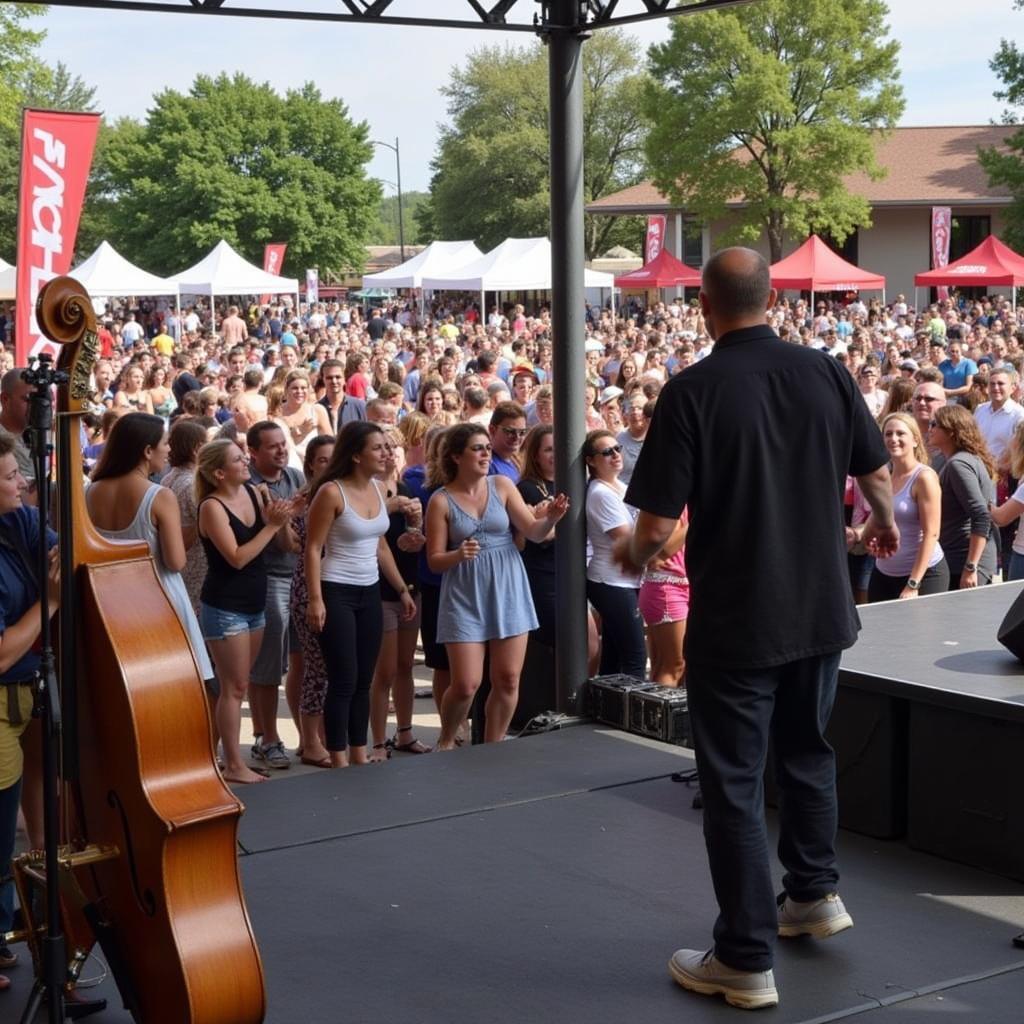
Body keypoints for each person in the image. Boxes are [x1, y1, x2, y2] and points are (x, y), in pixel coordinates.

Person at [614, 248, 895, 1011]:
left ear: (705, 305)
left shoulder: (691, 391)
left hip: (740, 621)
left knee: (734, 786)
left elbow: (657, 524)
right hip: (821, 610)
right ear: (771, 297)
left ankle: (742, 957)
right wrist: (884, 521)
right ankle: (812, 894)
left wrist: (631, 550)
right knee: (807, 752)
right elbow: (874, 471)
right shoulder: (827, 371)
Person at [425, 423, 568, 750]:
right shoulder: (441, 500)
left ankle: (493, 747)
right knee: (465, 683)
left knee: (507, 678)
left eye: (487, 448)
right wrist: (457, 554)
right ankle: (447, 740)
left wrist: (552, 518)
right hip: (464, 591)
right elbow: (434, 559)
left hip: (507, 587)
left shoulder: (502, 485)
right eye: (477, 448)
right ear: (456, 456)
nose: (485, 454)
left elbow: (532, 531)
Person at [305, 423, 416, 768]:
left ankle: (358, 751)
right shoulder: (331, 492)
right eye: (378, 448)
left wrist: (401, 589)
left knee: (364, 679)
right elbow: (313, 548)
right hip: (336, 589)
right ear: (355, 455)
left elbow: (380, 546)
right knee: (344, 678)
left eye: (387, 447)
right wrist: (315, 599)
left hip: (371, 591)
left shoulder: (380, 489)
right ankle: (338, 757)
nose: (387, 453)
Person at [86, 414, 214, 686]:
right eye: (165, 444)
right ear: (147, 451)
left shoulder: (90, 492)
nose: (169, 450)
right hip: (158, 599)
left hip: (109, 601)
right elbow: (176, 561)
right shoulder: (159, 496)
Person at [196, 438, 295, 784]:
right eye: (238, 460)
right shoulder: (211, 506)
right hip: (226, 606)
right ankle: (233, 763)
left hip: (255, 601)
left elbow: (277, 536)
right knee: (234, 686)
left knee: (241, 683)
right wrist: (271, 526)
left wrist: (281, 517)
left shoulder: (254, 492)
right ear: (220, 473)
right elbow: (236, 557)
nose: (245, 464)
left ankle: (220, 757)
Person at [0, 434, 58, 989]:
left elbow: (68, 553)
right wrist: (52, 603)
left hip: (26, 691)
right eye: (8, 476)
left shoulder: (16, 523)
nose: (21, 481)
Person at [245, 421, 305, 769]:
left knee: (301, 659)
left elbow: (299, 534)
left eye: (284, 444)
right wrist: (284, 522)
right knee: (267, 667)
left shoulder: (295, 478)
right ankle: (267, 738)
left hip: (298, 575)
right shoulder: (251, 486)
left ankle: (307, 735)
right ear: (253, 452)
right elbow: (282, 537)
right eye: (272, 446)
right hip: (268, 579)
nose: (282, 450)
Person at [368, 429, 430, 760]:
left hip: (410, 585)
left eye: (394, 447)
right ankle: (377, 741)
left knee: (406, 666)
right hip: (380, 590)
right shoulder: (367, 493)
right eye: (382, 448)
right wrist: (387, 508)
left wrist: (417, 529)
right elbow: (377, 544)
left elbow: (411, 540)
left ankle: (404, 732)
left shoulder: (405, 488)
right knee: (385, 670)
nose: (390, 453)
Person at [289, 435, 336, 767]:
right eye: (322, 460)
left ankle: (326, 736)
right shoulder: (304, 500)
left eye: (334, 458)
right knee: (316, 668)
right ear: (309, 465)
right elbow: (296, 545)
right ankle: (310, 741)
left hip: (342, 587)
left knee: (337, 669)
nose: (329, 465)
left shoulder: (347, 491)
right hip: (310, 589)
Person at [865, 413, 948, 600]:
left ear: (915, 441)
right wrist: (858, 535)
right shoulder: (885, 476)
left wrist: (913, 583)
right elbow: (877, 519)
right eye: (888, 434)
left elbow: (932, 533)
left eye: (900, 433)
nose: (893, 439)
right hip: (884, 572)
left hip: (924, 576)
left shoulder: (924, 477)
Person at [584, 429, 646, 677]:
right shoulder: (599, 493)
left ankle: (608, 713)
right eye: (606, 452)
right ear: (591, 460)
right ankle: (633, 716)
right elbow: (627, 540)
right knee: (635, 657)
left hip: (626, 581)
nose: (615, 455)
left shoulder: (618, 485)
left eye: (617, 449)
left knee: (615, 655)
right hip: (611, 582)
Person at [928, 405, 997, 589]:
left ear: (951, 431)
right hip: (958, 559)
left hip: (964, 562)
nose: (930, 429)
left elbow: (981, 515)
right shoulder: (954, 460)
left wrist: (971, 566)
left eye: (935, 424)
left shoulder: (959, 464)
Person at [638, 511, 689, 686]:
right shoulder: (676, 503)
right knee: (674, 666)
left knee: (664, 665)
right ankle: (661, 714)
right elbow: (665, 549)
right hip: (667, 587)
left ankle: (655, 711)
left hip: (673, 585)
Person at [274, 369, 332, 472]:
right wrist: (296, 435)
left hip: (314, 469)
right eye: (295, 388)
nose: (299, 392)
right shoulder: (276, 413)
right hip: (287, 470)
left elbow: (329, 443)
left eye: (303, 388)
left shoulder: (317, 410)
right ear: (287, 389)